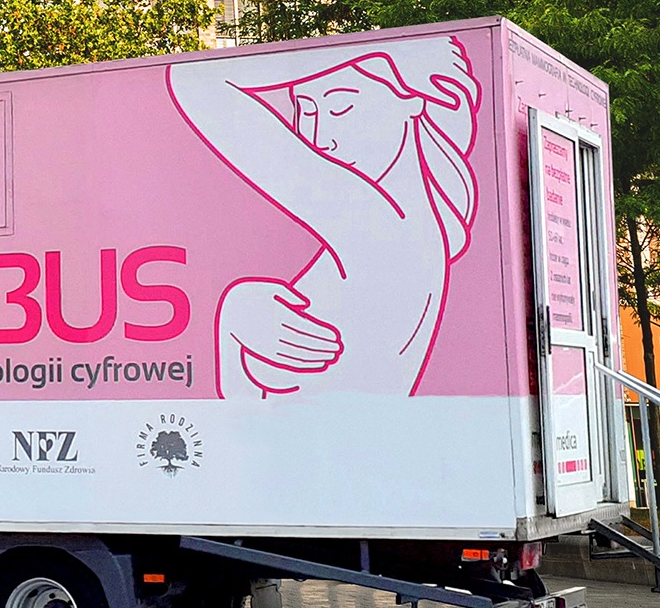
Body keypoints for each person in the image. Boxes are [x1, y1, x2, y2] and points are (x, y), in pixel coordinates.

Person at [168, 33, 481, 399]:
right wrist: (235, 316)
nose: (319, 139)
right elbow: (249, 413)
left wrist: (376, 49)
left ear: (410, 100)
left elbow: (194, 84)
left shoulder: (379, 222)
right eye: (306, 110)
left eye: (340, 107)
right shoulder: (407, 230)